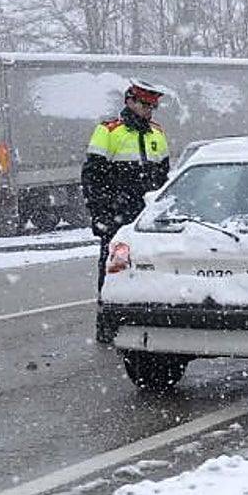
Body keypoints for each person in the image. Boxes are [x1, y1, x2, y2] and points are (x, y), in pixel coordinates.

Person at [82, 80, 170, 339]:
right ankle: (108, 324)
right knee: (113, 270)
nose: (149, 110)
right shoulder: (109, 131)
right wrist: (100, 215)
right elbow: (92, 177)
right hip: (116, 215)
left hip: (146, 218)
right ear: (129, 101)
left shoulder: (157, 132)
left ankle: (148, 319)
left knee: (150, 268)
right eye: (145, 104)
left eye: (153, 106)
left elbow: (163, 177)